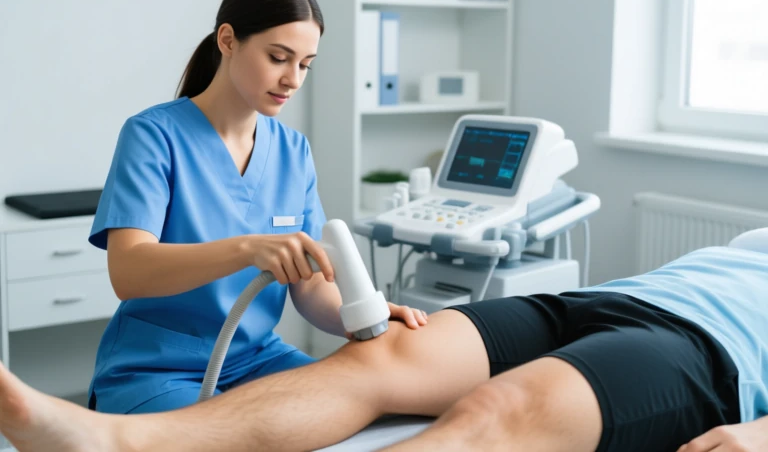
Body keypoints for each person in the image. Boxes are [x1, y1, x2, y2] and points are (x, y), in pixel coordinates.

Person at [1, 232, 767, 451]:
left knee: (495, 412)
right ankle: (115, 443)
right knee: (378, 359)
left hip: (704, 352)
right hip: (601, 298)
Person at [85, 0, 427, 416]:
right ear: (228, 40)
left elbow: (310, 289)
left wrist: (365, 314)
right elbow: (128, 272)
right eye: (279, 57)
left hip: (259, 360)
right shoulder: (152, 136)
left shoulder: (293, 151)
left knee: (364, 409)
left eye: (305, 64)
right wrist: (248, 249)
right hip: (157, 368)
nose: (293, 80)